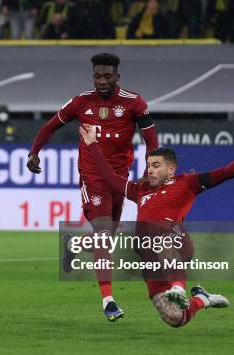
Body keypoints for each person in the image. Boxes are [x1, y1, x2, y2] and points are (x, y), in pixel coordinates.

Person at [79, 125, 234, 327]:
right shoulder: (139, 190)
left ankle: (178, 287)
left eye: (156, 165)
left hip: (175, 241)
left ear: (171, 169)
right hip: (150, 259)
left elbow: (227, 172)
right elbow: (109, 176)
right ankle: (202, 299)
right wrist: (93, 144)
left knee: (162, 236)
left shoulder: (187, 183)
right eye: (149, 165)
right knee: (176, 319)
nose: (150, 170)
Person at [27, 53, 159, 322]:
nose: (101, 80)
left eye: (107, 76)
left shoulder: (134, 103)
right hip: (92, 175)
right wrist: (34, 153)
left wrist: (149, 171)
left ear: (117, 77)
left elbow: (152, 141)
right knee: (102, 234)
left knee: (106, 238)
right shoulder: (80, 102)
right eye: (97, 76)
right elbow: (49, 127)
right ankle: (108, 300)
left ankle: (74, 243)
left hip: (119, 178)